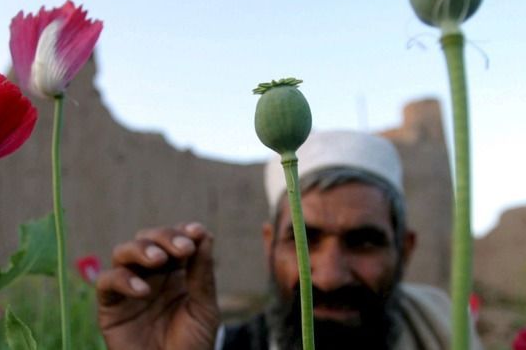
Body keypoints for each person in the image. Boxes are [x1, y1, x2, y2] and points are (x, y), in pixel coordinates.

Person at [96, 130, 483, 349]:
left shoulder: (447, 336)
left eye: (363, 242)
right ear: (269, 245)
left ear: (406, 249)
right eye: (303, 239)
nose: (329, 277)